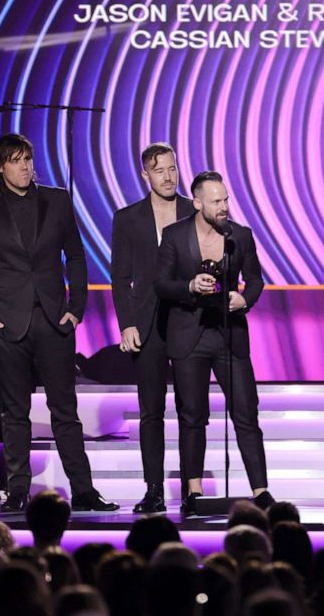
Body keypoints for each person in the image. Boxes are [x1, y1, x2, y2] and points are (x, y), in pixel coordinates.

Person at [0, 133, 117, 513]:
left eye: (28, 158)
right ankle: (18, 490)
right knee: (15, 411)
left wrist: (75, 307)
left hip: (52, 319)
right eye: (15, 160)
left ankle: (84, 491)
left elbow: (76, 256)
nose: (25, 166)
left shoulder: (56, 200)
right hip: (6, 321)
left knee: (65, 410)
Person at [154, 170, 273, 514]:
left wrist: (245, 299)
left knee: (246, 414)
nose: (224, 207)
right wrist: (190, 286)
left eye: (226, 200)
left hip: (229, 334)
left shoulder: (241, 236)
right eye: (217, 201)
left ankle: (261, 490)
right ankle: (194, 491)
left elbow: (255, 279)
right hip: (188, 334)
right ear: (198, 202)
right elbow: (160, 284)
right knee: (192, 416)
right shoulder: (175, 236)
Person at [111, 142, 195, 513]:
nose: (168, 176)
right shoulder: (128, 218)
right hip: (147, 324)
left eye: (173, 168)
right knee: (151, 411)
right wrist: (127, 323)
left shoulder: (194, 211)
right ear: (145, 175)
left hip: (190, 320)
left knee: (192, 409)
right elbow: (119, 278)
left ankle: (193, 490)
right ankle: (154, 489)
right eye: (159, 170)